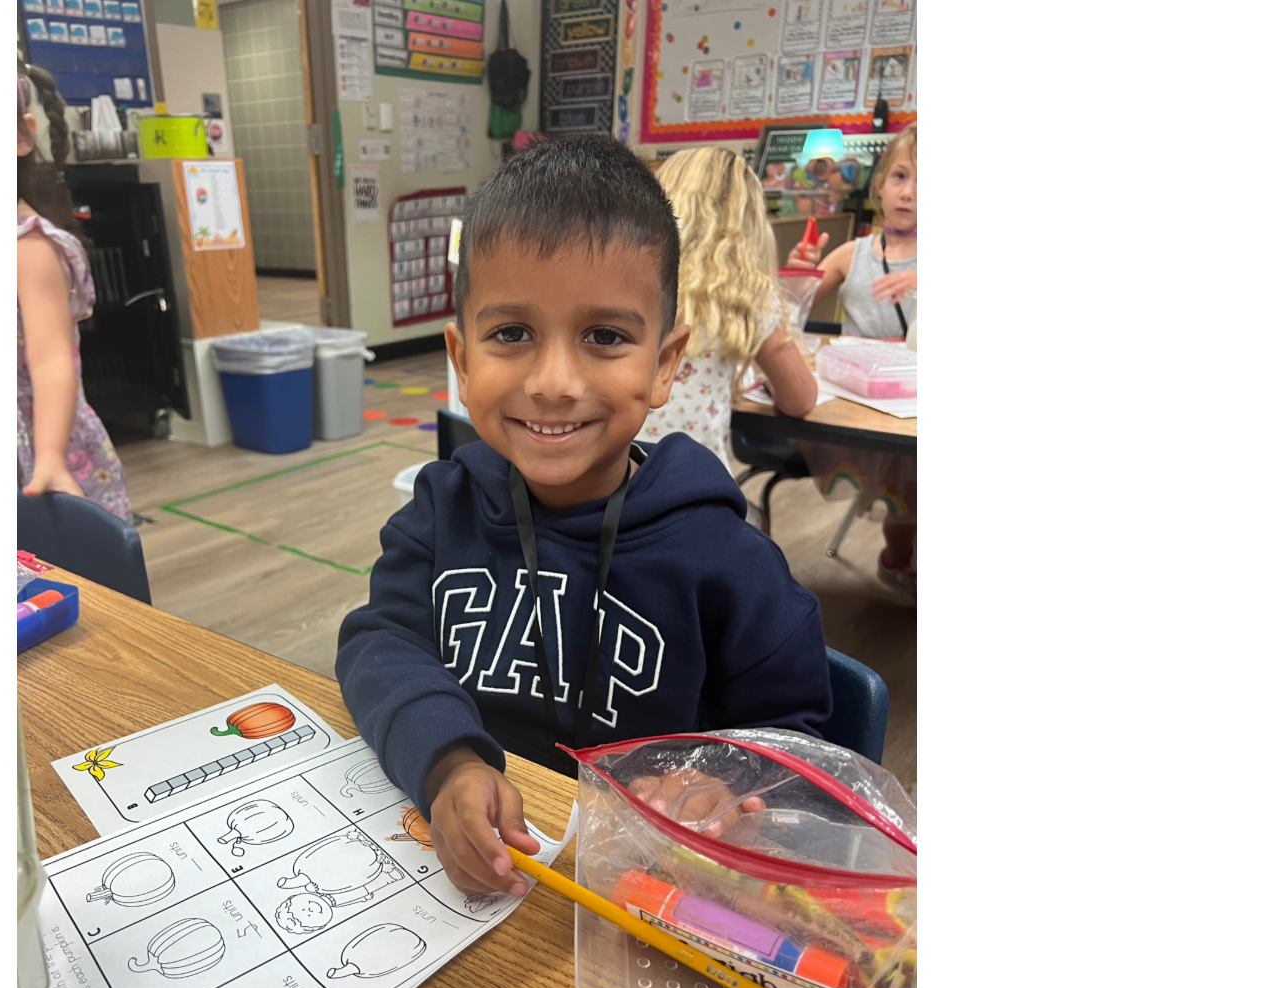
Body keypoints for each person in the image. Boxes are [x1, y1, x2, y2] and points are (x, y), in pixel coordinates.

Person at [336, 137, 833, 899]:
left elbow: (795, 739)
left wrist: (728, 785)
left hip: (652, 893)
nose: (556, 382)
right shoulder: (444, 507)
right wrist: (448, 761)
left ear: (666, 363)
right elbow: (380, 640)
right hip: (474, 881)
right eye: (511, 335)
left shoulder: (726, 560)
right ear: (461, 359)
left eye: (605, 337)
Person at [785, 123, 917, 597]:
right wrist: (800, 274)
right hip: (862, 411)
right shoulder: (852, 253)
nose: (910, 192)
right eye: (901, 176)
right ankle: (897, 559)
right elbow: (795, 306)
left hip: (918, 408)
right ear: (879, 184)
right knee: (909, 490)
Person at [641, 146, 818, 467]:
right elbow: (800, 399)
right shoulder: (745, 294)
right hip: (693, 488)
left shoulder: (627, 278)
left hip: (609, 477)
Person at [17, 66, 133, 521]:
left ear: (22, 136)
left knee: (54, 580)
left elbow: (49, 359)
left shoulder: (27, 247)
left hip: (36, 442)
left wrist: (48, 456)